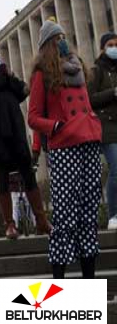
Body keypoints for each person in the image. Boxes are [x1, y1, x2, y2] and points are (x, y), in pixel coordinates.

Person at [28, 19, 102, 279]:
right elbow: (33, 117)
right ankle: (58, 285)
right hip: (64, 147)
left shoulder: (79, 69)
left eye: (64, 36)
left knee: (88, 214)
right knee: (66, 216)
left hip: (89, 142)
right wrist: (57, 126)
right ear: (48, 44)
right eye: (57, 38)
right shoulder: (42, 74)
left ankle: (89, 284)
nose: (63, 41)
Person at [0, 45, 51, 240]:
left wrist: (11, 75)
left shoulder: (6, 76)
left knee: (28, 175)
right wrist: (4, 76)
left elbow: (23, 90)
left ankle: (41, 220)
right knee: (3, 179)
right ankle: (9, 224)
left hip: (16, 133)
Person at [88, 32, 117, 230]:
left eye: (116, 44)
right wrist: (112, 92)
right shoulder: (96, 70)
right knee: (116, 169)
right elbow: (89, 99)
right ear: (102, 48)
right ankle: (113, 215)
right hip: (106, 127)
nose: (114, 47)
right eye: (110, 44)